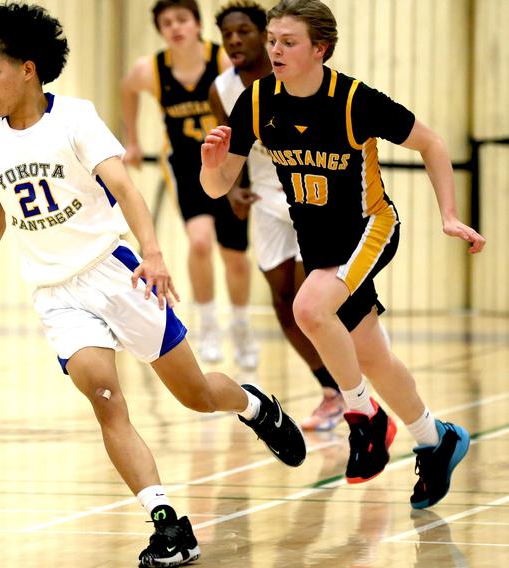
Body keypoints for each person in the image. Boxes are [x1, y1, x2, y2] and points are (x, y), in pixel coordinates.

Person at [0, 4, 306, 566]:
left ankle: (256, 407)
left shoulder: (76, 119)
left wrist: (155, 255)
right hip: (56, 294)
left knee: (197, 396)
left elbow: (128, 190)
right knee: (105, 395)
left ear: (28, 70)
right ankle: (168, 525)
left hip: (117, 272)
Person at [199, 0, 484, 508]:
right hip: (319, 242)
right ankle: (434, 440)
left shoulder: (354, 100)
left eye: (288, 42)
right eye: (273, 40)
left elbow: (433, 143)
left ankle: (364, 417)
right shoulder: (258, 101)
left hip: (370, 228)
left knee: (308, 308)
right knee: (372, 355)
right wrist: (210, 164)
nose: (275, 50)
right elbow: (218, 188)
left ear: (319, 49)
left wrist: (448, 214)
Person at [209, 1, 343, 431]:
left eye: (244, 32)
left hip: (313, 203)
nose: (234, 41)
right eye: (227, 34)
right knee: (283, 302)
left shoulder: (296, 79)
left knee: (313, 303)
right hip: (266, 203)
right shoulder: (223, 90)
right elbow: (231, 150)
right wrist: (232, 187)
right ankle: (332, 391)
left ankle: (358, 384)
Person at [120, 0, 258, 369]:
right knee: (198, 243)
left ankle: (242, 327)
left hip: (229, 165)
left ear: (197, 24)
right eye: (166, 22)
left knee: (235, 256)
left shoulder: (222, 62)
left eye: (182, 19)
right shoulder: (150, 69)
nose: (175, 27)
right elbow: (127, 89)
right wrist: (132, 139)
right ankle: (209, 325)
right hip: (185, 165)